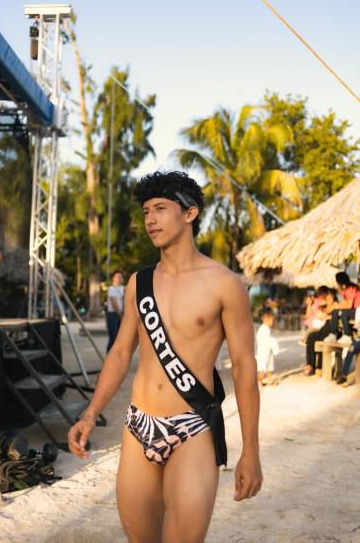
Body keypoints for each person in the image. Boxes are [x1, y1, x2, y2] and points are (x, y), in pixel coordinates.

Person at [68, 171, 262, 542]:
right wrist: (91, 412)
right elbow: (121, 353)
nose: (151, 220)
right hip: (139, 425)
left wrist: (250, 451)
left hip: (192, 427)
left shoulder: (225, 284)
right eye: (145, 212)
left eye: (160, 208)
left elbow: (244, 368)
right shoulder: (138, 284)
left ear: (190, 214)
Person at [304, 288, 337, 376]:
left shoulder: (336, 305)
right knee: (311, 337)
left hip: (332, 331)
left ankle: (319, 366)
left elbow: (329, 315)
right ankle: (310, 364)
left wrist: (327, 315)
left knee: (322, 341)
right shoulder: (324, 305)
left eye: (330, 296)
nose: (328, 298)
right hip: (323, 329)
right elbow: (318, 314)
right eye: (327, 296)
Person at [324, 272, 360, 346]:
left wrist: (337, 306)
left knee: (344, 312)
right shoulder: (345, 290)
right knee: (335, 311)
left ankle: (347, 335)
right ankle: (333, 333)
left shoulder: (351, 288)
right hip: (354, 311)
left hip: (358, 311)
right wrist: (335, 306)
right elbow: (344, 303)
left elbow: (349, 306)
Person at [337, 307, 360, 386]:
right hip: (359, 339)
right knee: (351, 349)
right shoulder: (359, 309)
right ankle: (344, 375)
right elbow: (357, 325)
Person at [256, 307, 279, 385]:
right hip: (263, 352)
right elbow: (267, 340)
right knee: (262, 368)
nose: (272, 322)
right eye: (272, 320)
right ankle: (259, 380)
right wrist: (274, 346)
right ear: (266, 318)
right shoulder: (263, 329)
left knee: (270, 367)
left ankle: (270, 380)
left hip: (268, 351)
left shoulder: (266, 328)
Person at [106, 270, 125, 353]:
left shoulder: (123, 288)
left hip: (121, 314)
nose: (119, 278)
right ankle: (109, 356)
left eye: (120, 277)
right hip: (113, 315)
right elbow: (114, 304)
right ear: (113, 278)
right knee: (113, 337)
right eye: (117, 276)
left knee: (120, 338)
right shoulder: (111, 289)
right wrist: (120, 315)